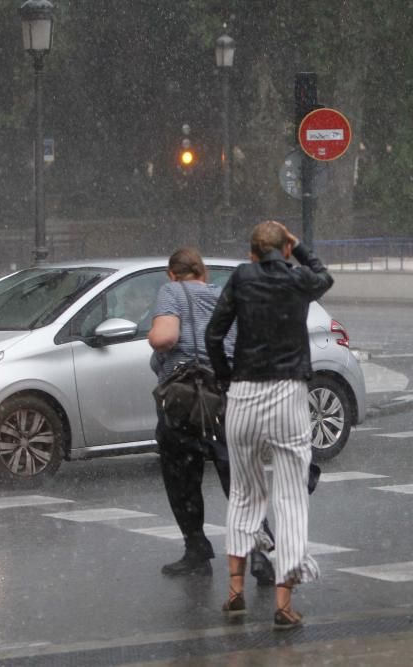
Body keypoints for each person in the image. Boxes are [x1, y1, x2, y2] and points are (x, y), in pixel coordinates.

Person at [205, 220, 332, 630]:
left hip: (243, 393)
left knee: (243, 493)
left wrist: (227, 377)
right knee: (291, 497)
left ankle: (235, 593)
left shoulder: (241, 279)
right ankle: (283, 603)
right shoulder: (297, 280)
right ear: (285, 249)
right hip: (287, 393)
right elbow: (324, 277)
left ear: (251, 252)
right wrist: (300, 249)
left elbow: (213, 335)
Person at [147, 247, 277, 583]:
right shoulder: (223, 297)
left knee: (182, 477)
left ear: (172, 274)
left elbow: (165, 336)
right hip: (226, 398)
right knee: (238, 479)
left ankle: (197, 549)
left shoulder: (171, 291)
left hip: (185, 401)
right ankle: (261, 554)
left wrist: (155, 341)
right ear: (203, 274)